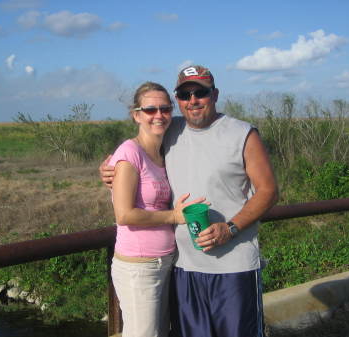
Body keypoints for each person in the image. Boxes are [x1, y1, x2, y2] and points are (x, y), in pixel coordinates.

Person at [101, 66, 278, 337]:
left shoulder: (242, 134)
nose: (193, 100)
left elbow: (268, 191)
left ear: (215, 94)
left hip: (234, 267)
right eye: (185, 94)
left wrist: (229, 228)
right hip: (183, 268)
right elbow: (134, 155)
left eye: (200, 92)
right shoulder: (171, 131)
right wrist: (109, 167)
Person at [107, 81, 206, 337]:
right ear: (136, 115)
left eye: (165, 108)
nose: (159, 115)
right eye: (150, 110)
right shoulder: (130, 153)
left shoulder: (163, 150)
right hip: (139, 266)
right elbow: (124, 214)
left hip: (165, 261)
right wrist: (173, 216)